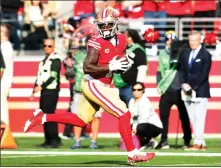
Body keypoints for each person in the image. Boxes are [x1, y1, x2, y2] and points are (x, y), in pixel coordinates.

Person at [24, 9, 155, 164]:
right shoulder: (96, 41)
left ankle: (42, 117)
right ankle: (132, 153)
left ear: (115, 24)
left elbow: (119, 58)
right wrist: (110, 67)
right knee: (124, 114)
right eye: (102, 25)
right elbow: (88, 67)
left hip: (104, 84)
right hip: (94, 83)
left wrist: (120, 64)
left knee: (80, 120)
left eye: (108, 24)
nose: (105, 28)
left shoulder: (121, 39)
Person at [156, 31, 191, 149]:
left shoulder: (182, 52)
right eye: (168, 39)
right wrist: (159, 86)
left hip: (179, 90)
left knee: (184, 117)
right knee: (163, 117)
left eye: (172, 39)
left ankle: (187, 140)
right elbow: (159, 71)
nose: (170, 42)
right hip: (167, 90)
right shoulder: (162, 54)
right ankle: (164, 140)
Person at [179, 30, 212, 150]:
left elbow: (204, 74)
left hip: (200, 91)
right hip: (186, 91)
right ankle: (202, 142)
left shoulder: (205, 54)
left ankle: (198, 142)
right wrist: (183, 84)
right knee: (193, 118)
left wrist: (192, 87)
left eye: (195, 40)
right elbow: (181, 70)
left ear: (200, 40)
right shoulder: (185, 54)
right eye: (191, 40)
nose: (192, 43)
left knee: (199, 118)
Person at [69, 34, 103, 149]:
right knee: (77, 117)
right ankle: (77, 140)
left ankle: (93, 141)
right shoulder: (78, 56)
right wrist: (68, 66)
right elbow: (69, 73)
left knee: (95, 117)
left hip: (95, 91)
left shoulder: (101, 57)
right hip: (79, 91)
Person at [30, 39, 62, 148]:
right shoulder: (44, 60)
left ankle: (55, 139)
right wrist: (34, 90)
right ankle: (47, 140)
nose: (46, 47)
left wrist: (41, 87)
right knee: (43, 116)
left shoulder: (56, 59)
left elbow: (53, 77)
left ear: (53, 47)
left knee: (49, 115)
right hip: (44, 91)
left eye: (49, 46)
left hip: (52, 91)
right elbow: (39, 76)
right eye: (45, 45)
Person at [113, 29, 147, 106]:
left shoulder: (138, 50)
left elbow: (142, 68)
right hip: (122, 84)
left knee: (132, 109)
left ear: (130, 38)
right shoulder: (124, 49)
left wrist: (138, 84)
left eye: (124, 36)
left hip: (131, 86)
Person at [129, 82, 163, 150]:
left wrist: (134, 128)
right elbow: (131, 116)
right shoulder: (131, 101)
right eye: (134, 89)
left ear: (143, 90)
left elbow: (144, 118)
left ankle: (151, 141)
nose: (136, 91)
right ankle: (144, 143)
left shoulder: (145, 101)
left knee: (140, 127)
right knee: (128, 125)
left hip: (154, 127)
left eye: (139, 89)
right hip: (140, 125)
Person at [1, 24, 14, 125]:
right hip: (4, 80)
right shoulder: (5, 46)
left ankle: (4, 132)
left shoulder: (5, 47)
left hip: (3, 81)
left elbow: (3, 67)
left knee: (2, 107)